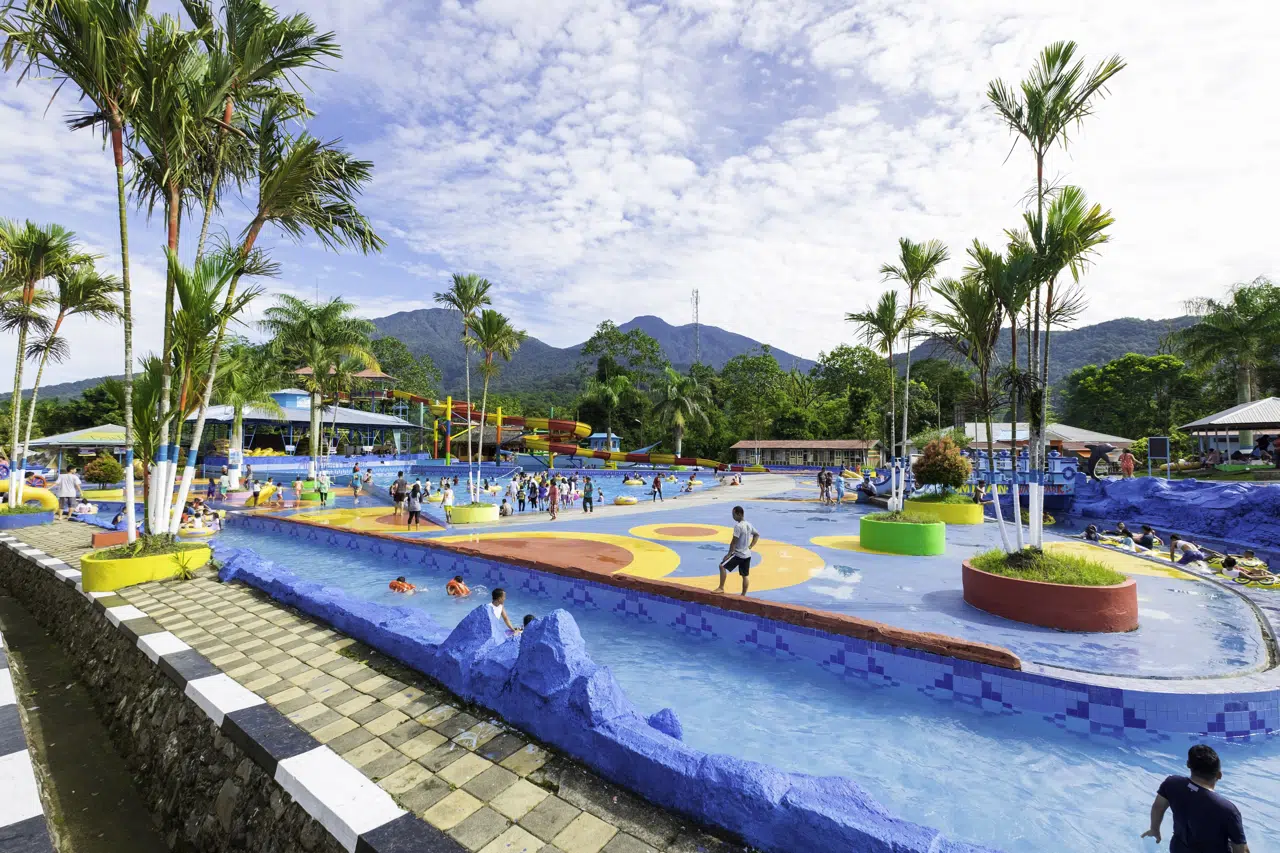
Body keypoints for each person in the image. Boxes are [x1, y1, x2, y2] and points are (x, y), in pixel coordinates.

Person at [1141, 744, 1249, 852]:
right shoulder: (1228, 810)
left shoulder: (1171, 784)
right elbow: (1241, 850)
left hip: (1178, 848)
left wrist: (1154, 829)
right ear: (1219, 775)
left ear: (1188, 764)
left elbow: (1158, 807)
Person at [716, 505, 759, 596]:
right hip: (747, 554)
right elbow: (756, 535)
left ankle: (721, 587)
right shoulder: (748, 524)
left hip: (738, 554)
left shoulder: (738, 526)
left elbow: (734, 542)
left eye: (734, 514)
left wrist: (728, 554)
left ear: (739, 514)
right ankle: (743, 594)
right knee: (745, 576)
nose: (733, 517)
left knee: (722, 566)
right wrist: (750, 546)